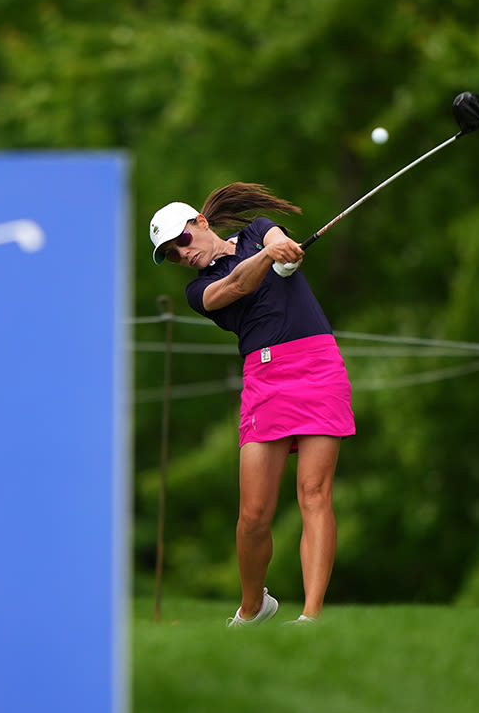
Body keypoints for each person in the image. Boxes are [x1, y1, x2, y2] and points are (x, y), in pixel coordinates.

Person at [148, 182, 355, 627]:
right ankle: (253, 605)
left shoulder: (256, 230)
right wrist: (268, 258)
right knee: (254, 516)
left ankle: (312, 617)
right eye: (170, 254)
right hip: (266, 379)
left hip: (319, 365)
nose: (182, 254)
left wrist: (284, 249)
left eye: (181, 241)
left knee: (315, 494)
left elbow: (276, 239)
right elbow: (238, 284)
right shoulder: (199, 290)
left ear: (200, 223)